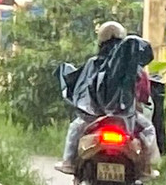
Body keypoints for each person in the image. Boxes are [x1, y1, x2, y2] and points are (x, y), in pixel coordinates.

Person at [59, 20, 158, 171]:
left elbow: (81, 89)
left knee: (75, 128)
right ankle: (147, 167)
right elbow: (144, 95)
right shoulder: (136, 69)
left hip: (94, 116)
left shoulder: (93, 64)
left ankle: (68, 162)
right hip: (126, 119)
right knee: (149, 129)